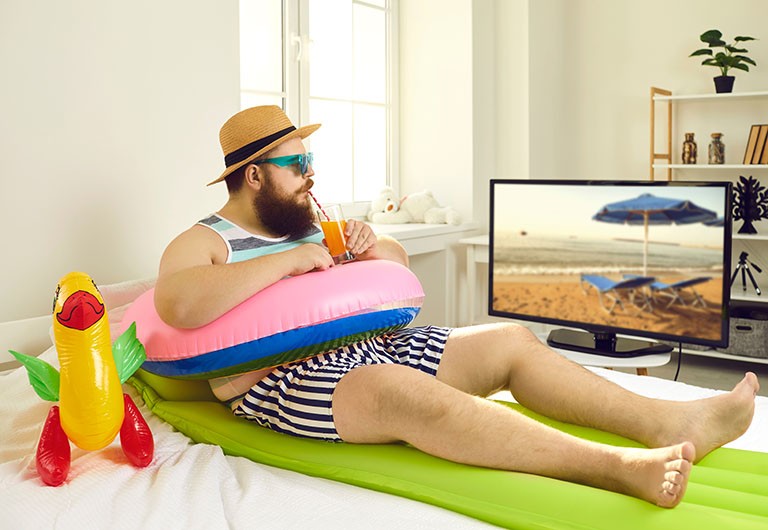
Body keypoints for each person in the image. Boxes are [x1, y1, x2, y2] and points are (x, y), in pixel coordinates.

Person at [154, 105, 760, 509]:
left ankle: (667, 422)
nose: (312, 175)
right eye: (297, 165)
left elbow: (394, 267)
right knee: (403, 393)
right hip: (286, 381)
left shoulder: (307, 222)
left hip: (370, 347)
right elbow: (178, 302)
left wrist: (372, 242)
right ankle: (615, 466)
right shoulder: (206, 240)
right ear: (255, 175)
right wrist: (286, 262)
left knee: (509, 341)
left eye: (311, 163)